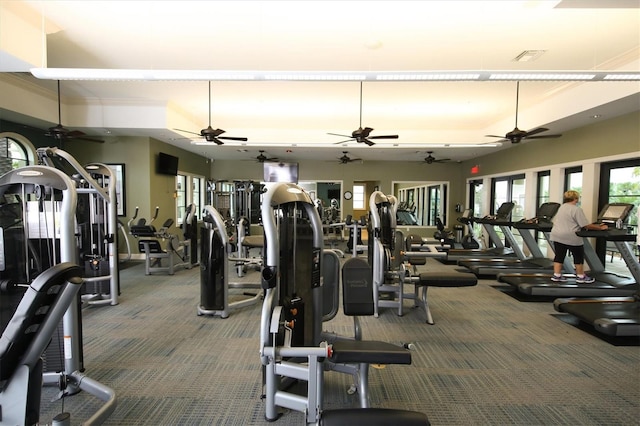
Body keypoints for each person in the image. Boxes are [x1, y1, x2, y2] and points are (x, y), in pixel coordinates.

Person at [550, 190, 607, 283]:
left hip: (557, 234)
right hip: (571, 236)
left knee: (559, 255)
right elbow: (584, 225)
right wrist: (600, 228)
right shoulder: (576, 209)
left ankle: (557, 275)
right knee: (578, 256)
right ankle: (581, 276)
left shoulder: (562, 207)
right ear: (576, 199)